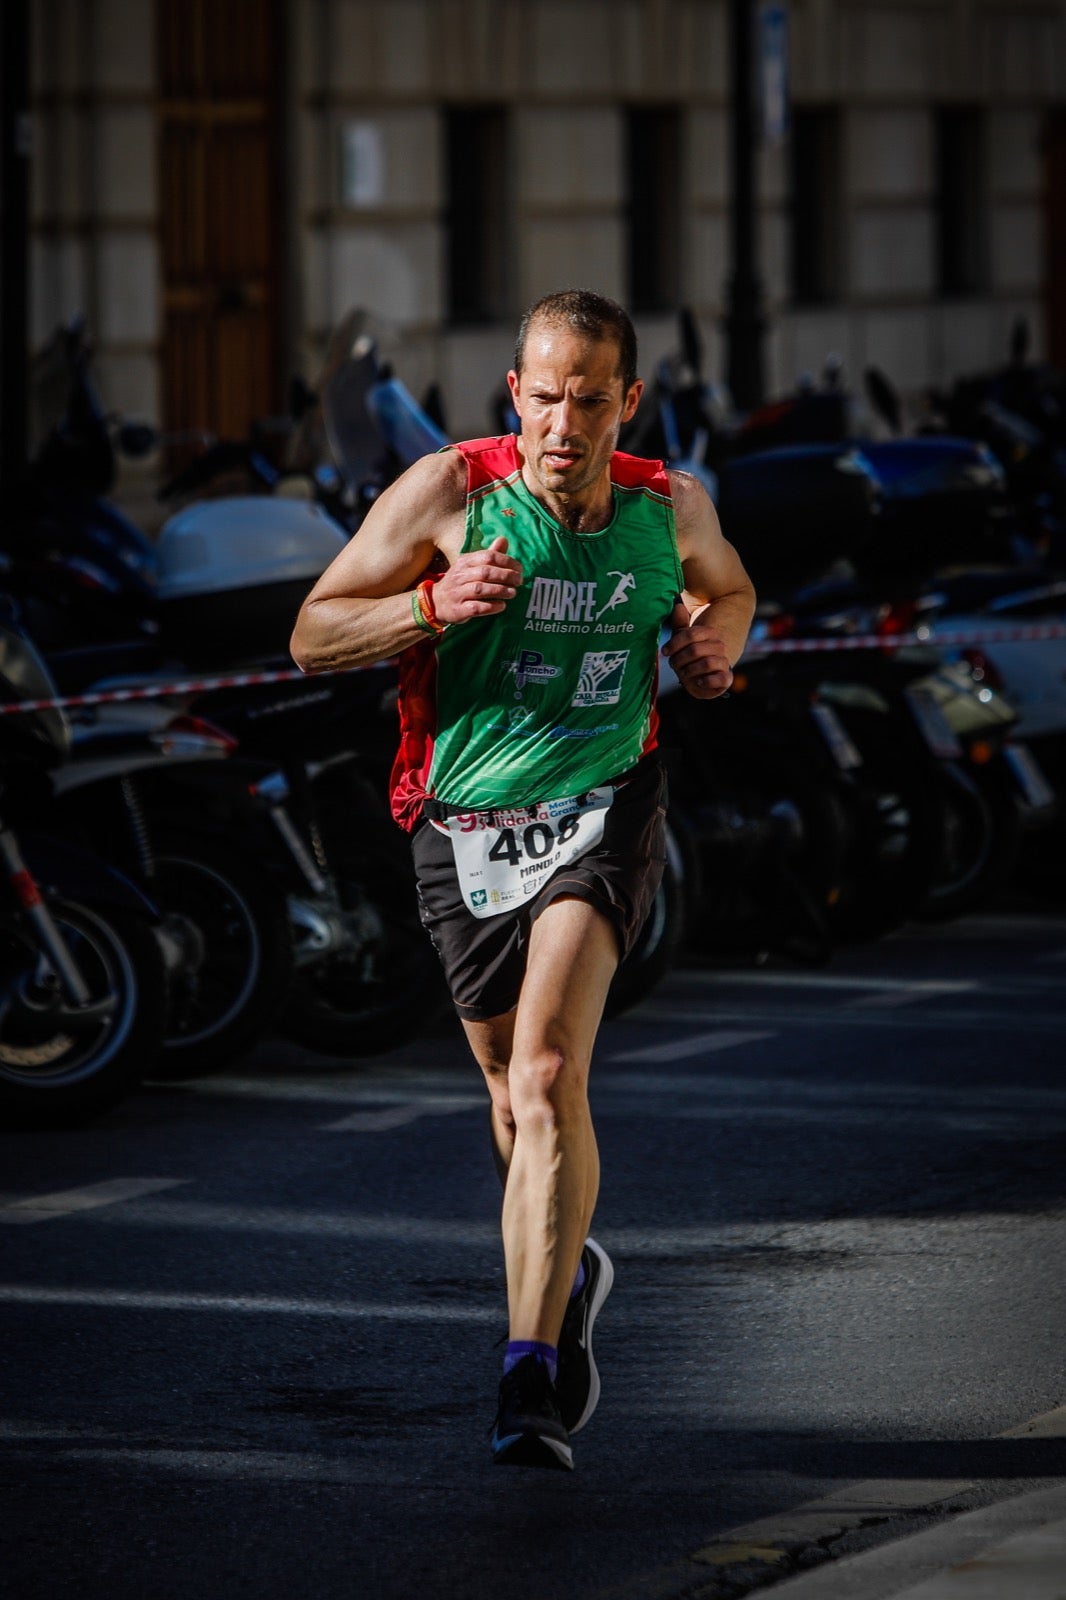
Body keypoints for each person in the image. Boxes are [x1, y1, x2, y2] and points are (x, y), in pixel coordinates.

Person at [290, 289, 756, 1471]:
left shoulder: (668, 505)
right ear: (516, 394)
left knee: (550, 1071)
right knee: (511, 1102)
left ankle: (526, 1374)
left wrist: (717, 642)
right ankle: (570, 1268)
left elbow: (728, 586)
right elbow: (310, 630)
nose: (563, 423)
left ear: (626, 403)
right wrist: (425, 605)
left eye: (589, 400)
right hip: (463, 821)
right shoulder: (452, 491)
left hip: (606, 800)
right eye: (543, 397)